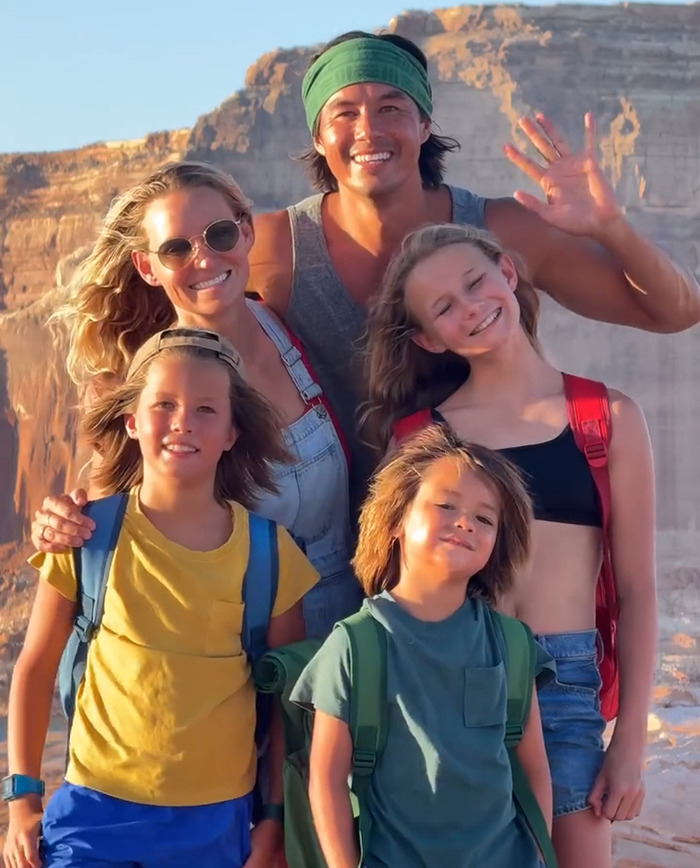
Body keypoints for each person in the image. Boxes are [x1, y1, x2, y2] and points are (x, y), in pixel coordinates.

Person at [249, 29, 700, 507]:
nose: (368, 130)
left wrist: (612, 228)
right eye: (345, 113)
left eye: (391, 108)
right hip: (322, 552)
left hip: (488, 540)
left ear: (424, 126)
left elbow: (675, 312)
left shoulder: (501, 228)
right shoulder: (272, 246)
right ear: (318, 138)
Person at [362, 223, 658, 868]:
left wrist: (630, 744)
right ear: (427, 338)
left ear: (507, 272)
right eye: (443, 307)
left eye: (475, 282)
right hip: (448, 679)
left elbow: (637, 592)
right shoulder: (419, 439)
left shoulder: (605, 417)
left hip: (564, 683)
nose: (470, 306)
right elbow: (389, 589)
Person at [3, 327, 319, 868]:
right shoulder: (86, 536)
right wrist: (23, 798)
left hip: (216, 822)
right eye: (165, 404)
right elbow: (33, 666)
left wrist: (273, 822)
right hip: (93, 812)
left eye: (205, 410)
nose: (182, 422)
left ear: (232, 433)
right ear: (131, 420)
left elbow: (288, 705)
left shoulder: (270, 555)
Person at [30, 161, 362, 639]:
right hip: (239, 653)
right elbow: (106, 525)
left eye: (219, 234)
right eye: (176, 248)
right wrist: (59, 527)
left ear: (246, 232)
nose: (204, 259)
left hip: (347, 631)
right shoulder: (154, 387)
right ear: (148, 267)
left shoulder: (284, 320)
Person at [291, 425, 554, 868]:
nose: (466, 521)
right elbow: (327, 778)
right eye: (446, 505)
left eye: (485, 518)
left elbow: (534, 774)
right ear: (396, 520)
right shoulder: (355, 644)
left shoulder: (512, 644)